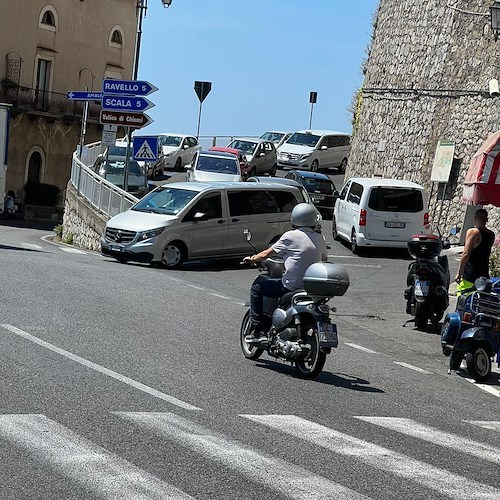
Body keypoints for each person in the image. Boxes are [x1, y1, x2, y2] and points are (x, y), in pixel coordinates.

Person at [244, 203, 327, 342]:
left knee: (257, 288)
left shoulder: (291, 236)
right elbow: (324, 261)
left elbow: (266, 254)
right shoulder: (320, 239)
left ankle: (258, 330)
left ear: (295, 218)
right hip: (311, 288)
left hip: (291, 287)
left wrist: (252, 259)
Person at [454, 208, 495, 294]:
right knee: (479, 302)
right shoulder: (491, 235)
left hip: (470, 275)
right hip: (484, 276)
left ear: (475, 218)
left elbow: (466, 254)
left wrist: (459, 271)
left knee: (464, 299)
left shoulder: (473, 232)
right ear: (486, 220)